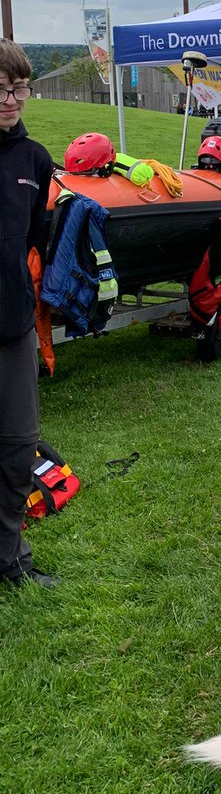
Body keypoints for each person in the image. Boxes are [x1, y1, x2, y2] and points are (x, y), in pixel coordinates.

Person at [0, 40, 56, 589]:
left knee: (19, 445)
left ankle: (11, 558)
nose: (11, 100)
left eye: (18, 89)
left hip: (12, 323)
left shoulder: (35, 160)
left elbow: (36, 239)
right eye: (0, 89)